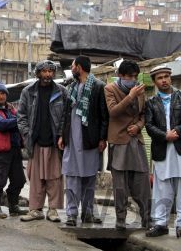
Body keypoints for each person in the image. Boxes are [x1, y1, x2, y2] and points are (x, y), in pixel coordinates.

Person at [145, 65, 181, 238]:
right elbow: (149, 125)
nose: (164, 80)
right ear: (154, 81)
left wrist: (177, 132)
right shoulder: (150, 103)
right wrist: (164, 136)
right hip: (162, 149)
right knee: (162, 187)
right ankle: (160, 223)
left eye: (167, 76)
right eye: (160, 78)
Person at [59, 56, 108, 226]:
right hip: (71, 141)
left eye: (72, 66)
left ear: (79, 67)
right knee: (72, 177)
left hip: (90, 140)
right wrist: (62, 136)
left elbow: (103, 115)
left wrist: (102, 138)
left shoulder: (98, 86)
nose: (71, 68)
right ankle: (71, 214)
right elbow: (65, 115)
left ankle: (88, 213)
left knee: (89, 179)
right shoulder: (70, 88)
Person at [18, 60, 69, 223]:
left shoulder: (61, 91)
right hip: (36, 141)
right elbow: (21, 116)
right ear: (38, 73)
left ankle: (53, 210)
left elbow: (65, 117)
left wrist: (61, 135)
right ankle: (35, 210)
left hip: (54, 142)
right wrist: (27, 134)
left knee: (54, 177)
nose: (47, 74)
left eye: (50, 71)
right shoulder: (28, 91)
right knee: (36, 177)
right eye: (44, 71)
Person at [104, 59, 151, 231]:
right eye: (130, 76)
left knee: (142, 182)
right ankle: (121, 219)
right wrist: (130, 96)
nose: (133, 79)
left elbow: (144, 114)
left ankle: (147, 218)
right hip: (118, 141)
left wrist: (138, 126)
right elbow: (113, 111)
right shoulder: (110, 89)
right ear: (120, 76)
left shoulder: (140, 90)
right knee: (120, 185)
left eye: (135, 76)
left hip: (135, 140)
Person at [0, 82, 28, 219]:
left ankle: (13, 206)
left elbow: (16, 124)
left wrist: (17, 121)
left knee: (19, 180)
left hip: (15, 149)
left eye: (3, 93)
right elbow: (1, 124)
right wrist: (19, 120)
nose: (1, 96)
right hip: (0, 150)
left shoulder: (10, 108)